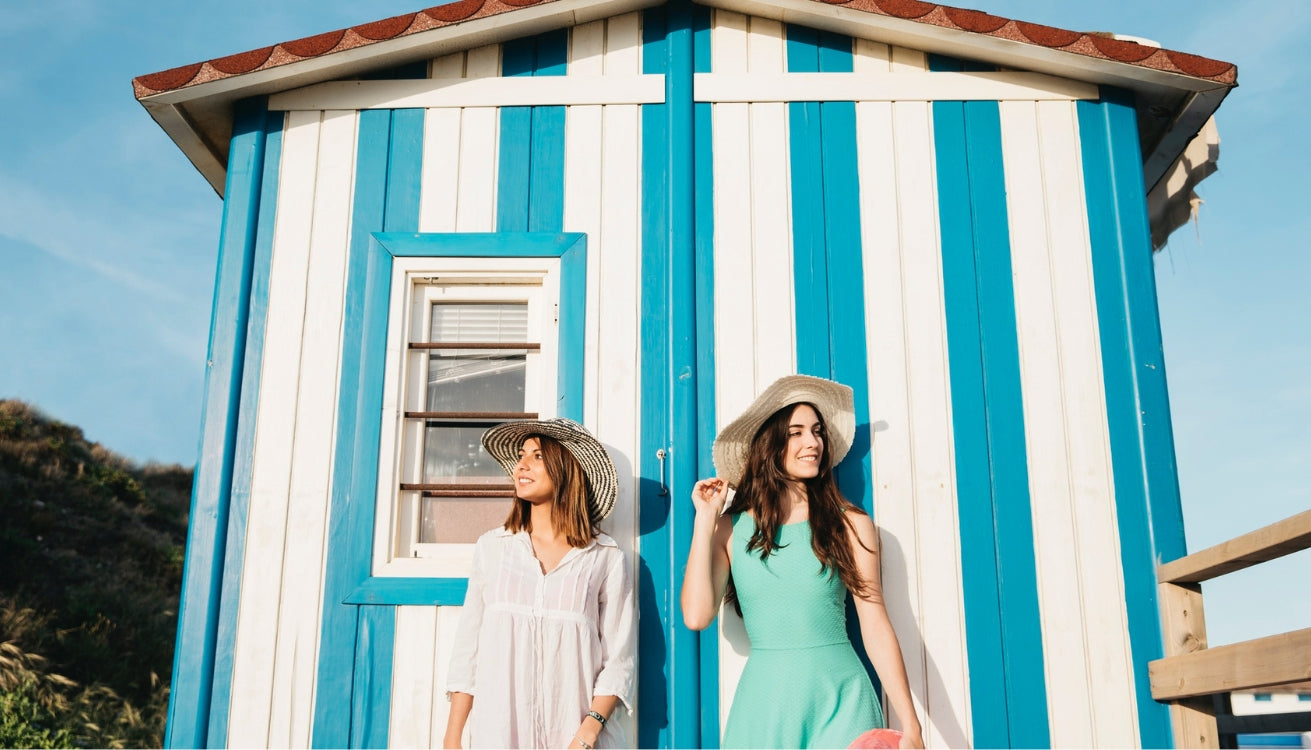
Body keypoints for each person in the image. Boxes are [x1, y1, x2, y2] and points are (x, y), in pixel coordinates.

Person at [681, 375, 925, 749]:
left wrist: (911, 727)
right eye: (796, 432)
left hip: (842, 702)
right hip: (765, 708)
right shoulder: (729, 529)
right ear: (769, 444)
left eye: (817, 431)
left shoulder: (850, 524)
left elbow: (875, 622)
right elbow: (696, 616)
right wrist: (705, 520)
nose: (812, 442)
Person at [444, 417, 634, 749]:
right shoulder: (493, 549)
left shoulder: (604, 556)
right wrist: (453, 736)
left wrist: (588, 732)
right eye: (521, 455)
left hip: (575, 738)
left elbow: (619, 657)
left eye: (537, 457)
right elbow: (468, 650)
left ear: (566, 469)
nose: (521, 466)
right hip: (499, 735)